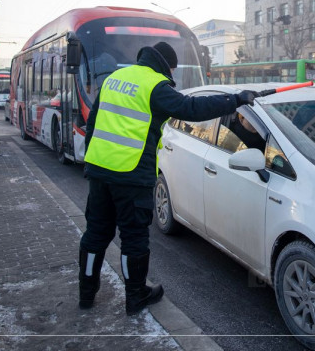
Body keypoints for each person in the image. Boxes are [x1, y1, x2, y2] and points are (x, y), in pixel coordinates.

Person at [79, 42, 260, 315]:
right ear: (166, 65)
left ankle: (86, 294)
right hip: (131, 174)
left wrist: (91, 166)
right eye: (172, 69)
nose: (171, 74)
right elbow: (191, 109)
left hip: (100, 172)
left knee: (95, 235)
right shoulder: (156, 86)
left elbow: (92, 123)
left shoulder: (114, 79)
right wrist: (235, 100)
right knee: (133, 239)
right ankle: (136, 296)